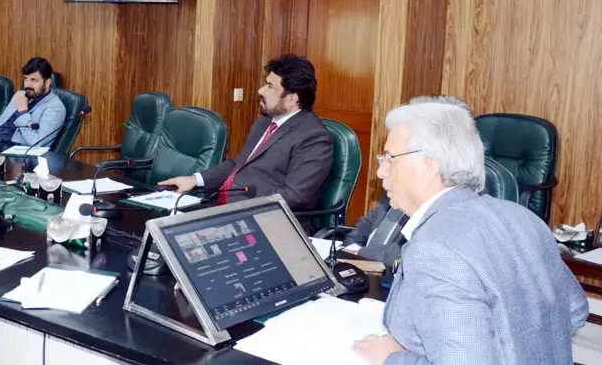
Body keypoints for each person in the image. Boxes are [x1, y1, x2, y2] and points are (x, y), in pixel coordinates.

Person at [352, 100, 587, 365]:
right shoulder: (524, 218)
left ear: (428, 167)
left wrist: (392, 357)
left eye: (389, 158)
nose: (380, 171)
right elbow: (575, 311)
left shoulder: (435, 247)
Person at [159, 54, 333, 212]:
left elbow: (293, 196)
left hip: (264, 219)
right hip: (223, 207)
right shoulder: (265, 121)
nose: (261, 91)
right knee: (157, 226)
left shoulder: (314, 138)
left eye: (270, 86)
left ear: (291, 99)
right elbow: (239, 163)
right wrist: (195, 179)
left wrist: (237, 210)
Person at [343, 95, 473, 269]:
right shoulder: (404, 171)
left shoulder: (464, 193)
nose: (381, 172)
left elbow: (411, 256)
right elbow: (372, 219)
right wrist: (349, 248)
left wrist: (362, 253)